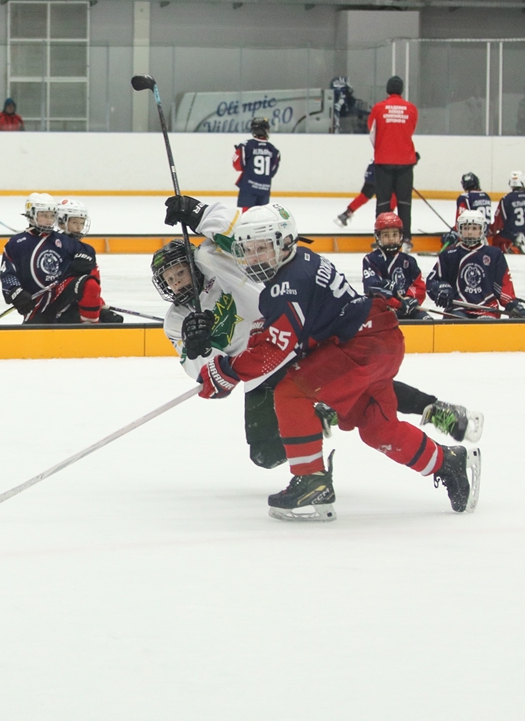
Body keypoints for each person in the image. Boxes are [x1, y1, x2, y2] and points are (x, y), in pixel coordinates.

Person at [186, 203, 479, 521]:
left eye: (261, 248)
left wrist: (228, 371)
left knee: (291, 391)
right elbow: (277, 333)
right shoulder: (296, 264)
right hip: (370, 342)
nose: (254, 257)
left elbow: (276, 348)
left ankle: (312, 482)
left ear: (284, 241)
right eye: (248, 249)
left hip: (362, 346)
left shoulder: (288, 283)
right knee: (377, 428)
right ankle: (448, 462)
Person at [0, 193, 119, 325]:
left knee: (88, 283)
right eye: (44, 215)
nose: (49, 220)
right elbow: (8, 273)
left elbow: (86, 252)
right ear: (32, 214)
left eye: (52, 215)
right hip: (37, 304)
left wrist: (85, 258)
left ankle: (90, 327)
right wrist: (16, 293)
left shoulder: (62, 240)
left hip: (60, 297)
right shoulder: (17, 243)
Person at [427, 210, 525, 318]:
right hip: (457, 309)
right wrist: (440, 288)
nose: (470, 232)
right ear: (459, 229)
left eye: (474, 228)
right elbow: (433, 281)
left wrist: (511, 303)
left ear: (482, 230)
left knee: (488, 330)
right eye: (466, 228)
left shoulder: (494, 254)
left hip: (487, 309)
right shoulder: (449, 254)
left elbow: (503, 285)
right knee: (455, 325)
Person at [54, 198, 123, 323]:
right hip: (54, 306)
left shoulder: (87, 250)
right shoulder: (51, 246)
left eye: (82, 223)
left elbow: (92, 281)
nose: (79, 228)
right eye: (75, 222)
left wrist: (99, 304)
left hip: (74, 304)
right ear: (60, 221)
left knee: (113, 321)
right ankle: (90, 327)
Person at [366, 75, 418, 236]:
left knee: (383, 202)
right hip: (406, 162)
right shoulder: (411, 108)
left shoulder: (379, 108)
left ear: (388, 89)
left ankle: (381, 235)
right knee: (404, 202)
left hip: (383, 162)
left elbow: (372, 132)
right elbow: (411, 129)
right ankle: (406, 237)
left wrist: (382, 149)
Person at [362, 213, 427, 319]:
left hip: (408, 307)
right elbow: (373, 289)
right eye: (386, 235)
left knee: (427, 322)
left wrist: (410, 300)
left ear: (401, 235)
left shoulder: (409, 261)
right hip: (383, 310)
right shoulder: (371, 260)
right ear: (378, 237)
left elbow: (419, 285)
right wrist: (399, 304)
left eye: (395, 234)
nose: (391, 239)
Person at [489, 171, 525, 253]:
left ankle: (512, 246)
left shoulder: (506, 199)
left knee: (495, 242)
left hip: (511, 234)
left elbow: (499, 221)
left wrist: (491, 231)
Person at [232, 116, 280, 208]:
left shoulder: (245, 145)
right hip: (264, 189)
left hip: (248, 188)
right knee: (261, 218)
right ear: (266, 129)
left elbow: (237, 166)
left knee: (246, 218)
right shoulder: (274, 150)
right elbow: (272, 172)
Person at [334, 162, 378, 227]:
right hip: (379, 171)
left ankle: (346, 214)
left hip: (373, 171)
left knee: (364, 196)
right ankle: (388, 219)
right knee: (392, 195)